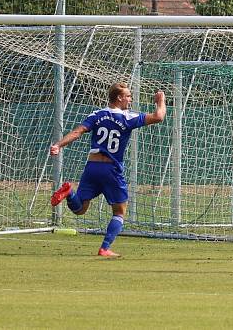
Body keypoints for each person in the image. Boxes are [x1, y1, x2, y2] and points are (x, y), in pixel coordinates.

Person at [50, 83, 166, 257]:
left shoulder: (97, 115)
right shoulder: (128, 117)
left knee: (80, 208)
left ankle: (69, 193)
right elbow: (159, 116)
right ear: (119, 98)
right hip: (111, 169)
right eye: (128, 96)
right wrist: (160, 101)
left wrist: (58, 145)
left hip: (92, 167)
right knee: (119, 212)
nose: (130, 99)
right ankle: (104, 248)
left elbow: (77, 132)